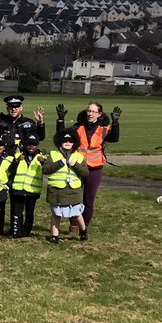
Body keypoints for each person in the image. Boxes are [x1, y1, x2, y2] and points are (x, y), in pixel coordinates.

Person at [55, 101, 121, 237]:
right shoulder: (78, 127)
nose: (90, 113)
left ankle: (83, 227)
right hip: (78, 168)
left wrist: (115, 123)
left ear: (99, 114)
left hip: (95, 169)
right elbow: (62, 135)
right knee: (74, 199)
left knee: (88, 200)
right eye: (88, 111)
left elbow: (114, 138)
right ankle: (73, 227)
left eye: (93, 111)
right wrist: (60, 119)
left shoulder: (104, 128)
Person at [42, 131, 90, 243]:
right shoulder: (53, 154)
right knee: (56, 213)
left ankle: (83, 230)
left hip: (73, 190)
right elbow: (45, 170)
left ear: (74, 143)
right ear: (60, 142)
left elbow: (85, 173)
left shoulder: (78, 156)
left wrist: (75, 165)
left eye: (70, 141)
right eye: (64, 141)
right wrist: (59, 163)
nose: (67, 143)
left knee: (77, 213)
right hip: (57, 191)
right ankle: (55, 236)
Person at [8, 135, 44, 237]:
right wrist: (17, 161)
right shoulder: (17, 156)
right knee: (17, 212)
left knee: (29, 212)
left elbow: (47, 170)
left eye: (34, 144)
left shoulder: (41, 157)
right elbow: (10, 170)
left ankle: (26, 231)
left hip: (32, 189)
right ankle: (16, 232)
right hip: (18, 189)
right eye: (29, 144)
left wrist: (43, 162)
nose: (31, 147)